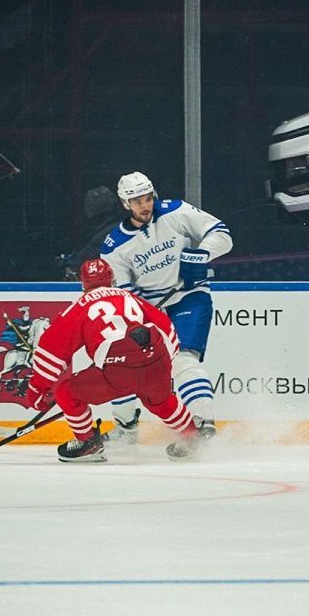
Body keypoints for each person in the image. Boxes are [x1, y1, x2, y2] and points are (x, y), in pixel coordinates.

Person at [99, 171, 232, 446]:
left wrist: (201, 254)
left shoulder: (176, 211)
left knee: (184, 360)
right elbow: (126, 293)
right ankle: (126, 426)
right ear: (126, 204)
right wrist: (140, 320)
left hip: (189, 297)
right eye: (137, 201)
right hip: (150, 310)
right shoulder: (114, 246)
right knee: (122, 362)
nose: (144, 205)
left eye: (147, 198)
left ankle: (203, 423)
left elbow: (222, 234)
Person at [22, 259, 201, 462]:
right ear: (112, 280)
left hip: (118, 370)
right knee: (161, 399)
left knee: (67, 392)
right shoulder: (131, 297)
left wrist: (37, 390)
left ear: (83, 284)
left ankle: (87, 443)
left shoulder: (79, 307)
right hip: (155, 357)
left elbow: (52, 350)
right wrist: (160, 367)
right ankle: (191, 436)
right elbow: (167, 330)